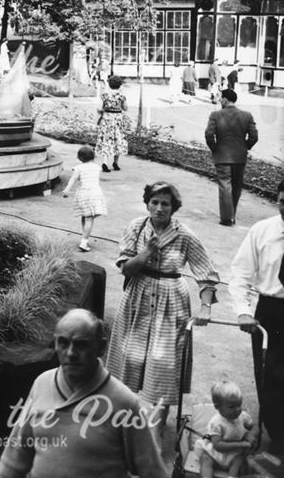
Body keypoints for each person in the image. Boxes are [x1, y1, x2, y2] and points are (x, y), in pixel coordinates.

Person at [0, 308, 166, 478]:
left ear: (101, 347)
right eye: (63, 343)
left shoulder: (123, 402)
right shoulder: (42, 384)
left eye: (81, 344)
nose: (70, 353)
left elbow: (151, 469)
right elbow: (15, 455)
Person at [105, 181, 218, 429]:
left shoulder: (185, 235)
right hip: (137, 297)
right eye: (154, 202)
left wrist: (205, 307)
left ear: (173, 207)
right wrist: (146, 252)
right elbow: (126, 269)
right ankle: (121, 425)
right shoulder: (136, 227)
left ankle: (155, 432)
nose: (159, 208)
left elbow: (206, 274)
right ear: (147, 203)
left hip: (171, 302)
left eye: (165, 204)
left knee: (163, 365)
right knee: (129, 359)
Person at [228, 177, 284, 457]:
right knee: (269, 376)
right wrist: (243, 311)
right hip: (272, 311)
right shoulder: (263, 231)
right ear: (277, 200)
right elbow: (240, 273)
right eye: (283, 202)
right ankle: (277, 434)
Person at [204, 88, 258, 226]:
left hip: (222, 156)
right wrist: (245, 147)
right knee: (236, 186)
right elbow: (254, 137)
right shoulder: (247, 115)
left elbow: (209, 135)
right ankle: (232, 214)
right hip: (240, 156)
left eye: (221, 98)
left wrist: (215, 148)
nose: (220, 100)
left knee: (225, 185)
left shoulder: (215, 115)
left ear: (226, 99)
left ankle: (227, 218)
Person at [193, 381, 257, 478]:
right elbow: (218, 445)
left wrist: (251, 434)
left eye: (239, 405)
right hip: (215, 454)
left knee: (239, 461)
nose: (237, 410)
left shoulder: (243, 416)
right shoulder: (216, 423)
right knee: (206, 459)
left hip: (234, 454)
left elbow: (255, 426)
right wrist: (240, 444)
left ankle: (231, 476)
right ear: (217, 407)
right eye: (231, 407)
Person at [62, 145, 107, 252]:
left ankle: (84, 237)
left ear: (80, 158)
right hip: (95, 193)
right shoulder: (97, 167)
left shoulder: (79, 168)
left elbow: (73, 179)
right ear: (93, 157)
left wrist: (67, 190)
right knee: (90, 218)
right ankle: (84, 241)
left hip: (83, 194)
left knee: (86, 217)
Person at [95, 75, 128, 173]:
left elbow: (99, 108)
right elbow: (125, 108)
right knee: (118, 139)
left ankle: (105, 162)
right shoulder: (121, 96)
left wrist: (104, 110)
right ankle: (116, 162)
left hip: (107, 120)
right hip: (118, 120)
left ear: (109, 84)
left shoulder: (104, 95)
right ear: (120, 85)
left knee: (107, 139)